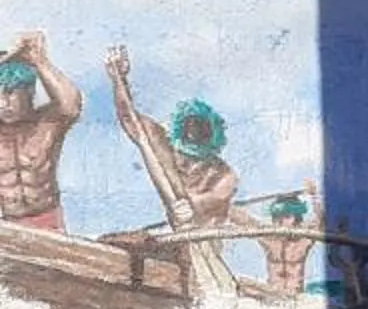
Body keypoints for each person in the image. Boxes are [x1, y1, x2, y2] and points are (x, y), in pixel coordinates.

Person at [104, 44, 238, 231]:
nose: (187, 162)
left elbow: (207, 202)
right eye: (184, 152)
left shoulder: (225, 177)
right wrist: (119, 80)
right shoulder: (166, 150)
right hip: (179, 238)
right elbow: (130, 119)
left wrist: (191, 205)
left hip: (208, 242)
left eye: (195, 158)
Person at [0, 33, 84, 232]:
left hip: (48, 221)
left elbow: (72, 104)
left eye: (11, 94)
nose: (3, 104)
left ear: (29, 92)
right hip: (9, 225)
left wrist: (39, 59)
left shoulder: (47, 123)